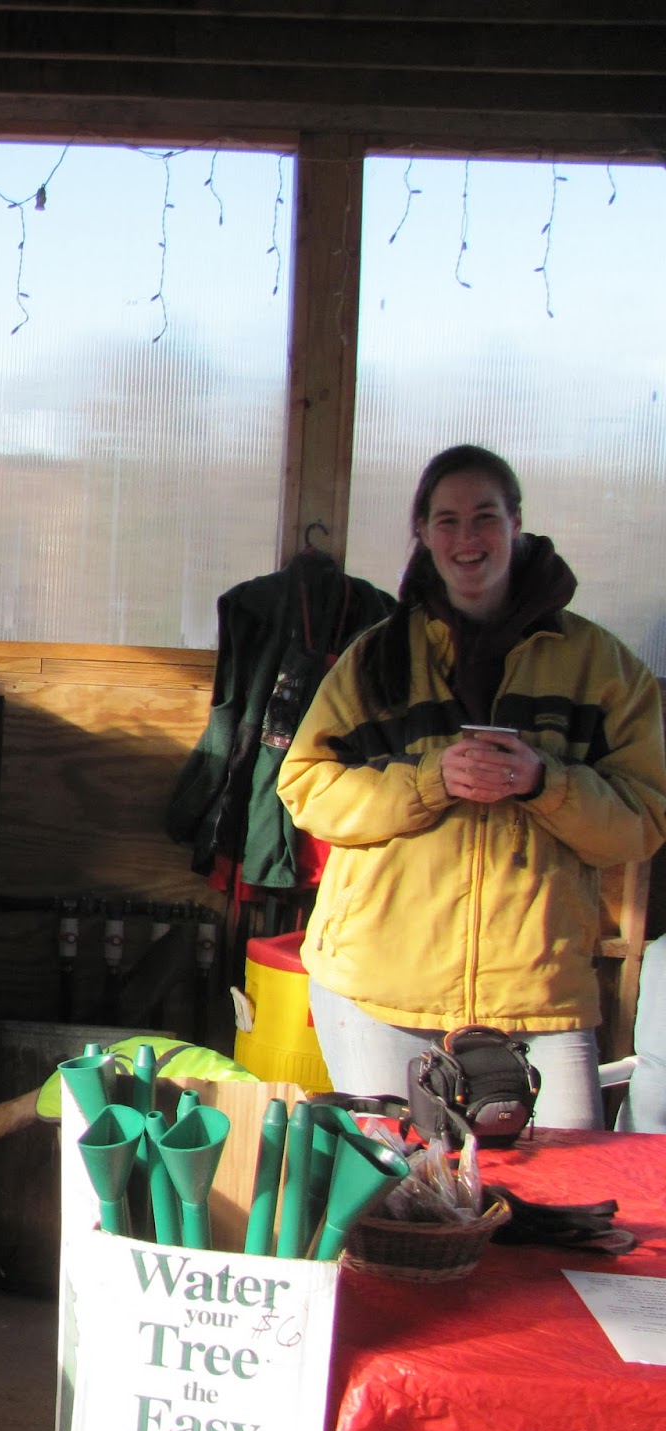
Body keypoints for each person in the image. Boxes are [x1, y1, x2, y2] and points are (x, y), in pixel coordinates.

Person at [275, 443, 666, 1128]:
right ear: (423, 534)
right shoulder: (376, 659)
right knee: (403, 1182)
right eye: (447, 520)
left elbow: (643, 821)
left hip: (539, 996)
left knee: (565, 1185)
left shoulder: (600, 666)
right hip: (379, 987)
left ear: (515, 523)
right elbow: (307, 786)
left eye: (485, 516)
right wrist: (430, 780)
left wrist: (543, 783)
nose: (467, 538)